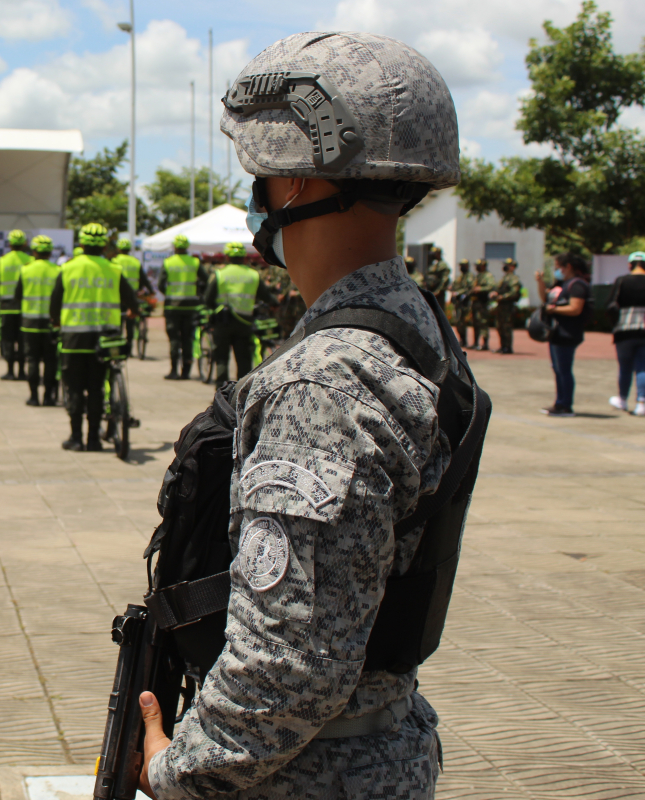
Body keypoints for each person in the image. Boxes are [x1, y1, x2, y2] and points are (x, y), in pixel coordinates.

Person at [138, 31, 472, 799]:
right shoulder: (421, 332)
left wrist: (173, 770)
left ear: (289, 184)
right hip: (384, 747)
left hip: (302, 777)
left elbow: (286, 667)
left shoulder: (323, 381)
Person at [50, 223, 137, 451]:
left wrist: (57, 322)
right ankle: (94, 440)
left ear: (81, 244)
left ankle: (76, 439)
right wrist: (133, 312)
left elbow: (54, 304)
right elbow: (132, 301)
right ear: (105, 246)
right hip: (104, 340)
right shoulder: (113, 269)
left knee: (75, 390)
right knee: (97, 389)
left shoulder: (67, 268)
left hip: (73, 340)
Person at [203, 241, 274, 382]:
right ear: (244, 257)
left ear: (227, 257)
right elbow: (267, 297)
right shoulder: (253, 275)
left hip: (222, 322)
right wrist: (276, 302)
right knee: (243, 361)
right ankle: (240, 397)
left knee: (222, 359)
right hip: (244, 323)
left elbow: (208, 299)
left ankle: (221, 395)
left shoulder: (220, 274)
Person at [535, 253, 592, 417]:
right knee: (558, 369)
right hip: (557, 334)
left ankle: (566, 405)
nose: (556, 270)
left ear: (568, 267)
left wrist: (553, 310)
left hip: (568, 333)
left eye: (558, 267)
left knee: (564, 370)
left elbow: (575, 308)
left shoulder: (577, 285)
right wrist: (540, 281)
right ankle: (559, 403)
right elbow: (546, 297)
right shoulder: (562, 284)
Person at [17, 235, 61, 406]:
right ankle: (49, 396)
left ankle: (34, 397)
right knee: (51, 360)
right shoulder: (58, 270)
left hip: (30, 323)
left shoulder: (26, 270)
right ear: (50, 253)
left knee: (33, 360)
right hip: (51, 323)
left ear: (34, 251)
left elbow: (17, 295)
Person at [159, 235, 205, 379]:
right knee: (187, 339)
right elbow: (206, 280)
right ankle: (186, 372)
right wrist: (198, 294)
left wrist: (169, 295)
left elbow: (161, 284)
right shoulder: (195, 262)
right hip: (191, 307)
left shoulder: (168, 262)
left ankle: (173, 371)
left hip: (172, 307)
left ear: (174, 247)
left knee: (174, 339)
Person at [607, 251, 645, 415]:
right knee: (642, 368)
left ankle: (622, 399)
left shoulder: (621, 281)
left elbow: (609, 305)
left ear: (630, 265)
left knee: (625, 367)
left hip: (624, 330)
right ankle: (642, 402)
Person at [0, 230, 32, 379]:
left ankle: (10, 371)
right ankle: (22, 372)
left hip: (7, 307)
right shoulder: (30, 260)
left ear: (9, 244)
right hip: (24, 308)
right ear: (24, 244)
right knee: (22, 341)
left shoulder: (3, 260)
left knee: (8, 340)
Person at [112, 237, 146, 354]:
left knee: (119, 324)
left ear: (118, 249)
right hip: (132, 296)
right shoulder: (135, 262)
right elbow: (143, 278)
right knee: (130, 325)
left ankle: (118, 348)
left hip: (118, 298)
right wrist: (150, 291)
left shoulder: (114, 261)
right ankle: (130, 348)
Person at [491, 257, 522, 354]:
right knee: (499, 326)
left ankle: (508, 347)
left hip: (507, 306)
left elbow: (514, 293)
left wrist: (502, 297)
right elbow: (497, 288)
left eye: (507, 265)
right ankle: (502, 346)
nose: (505, 267)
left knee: (506, 326)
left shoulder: (514, 279)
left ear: (513, 267)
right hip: (501, 306)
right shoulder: (504, 278)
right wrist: (495, 293)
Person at [468, 258, 496, 351]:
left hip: (482, 303)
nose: (477, 267)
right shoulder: (477, 276)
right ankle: (475, 343)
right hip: (475, 302)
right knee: (475, 323)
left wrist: (480, 289)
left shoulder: (488, 275)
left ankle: (485, 344)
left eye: (479, 266)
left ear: (483, 266)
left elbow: (491, 286)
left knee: (483, 323)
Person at [450, 258, 473, 346]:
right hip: (458, 303)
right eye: (461, 266)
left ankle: (464, 340)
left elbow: (469, 288)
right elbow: (454, 286)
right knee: (458, 322)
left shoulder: (469, 276)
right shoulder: (460, 277)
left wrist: (459, 292)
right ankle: (462, 340)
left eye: (463, 266)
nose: (462, 267)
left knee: (462, 322)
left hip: (465, 303)